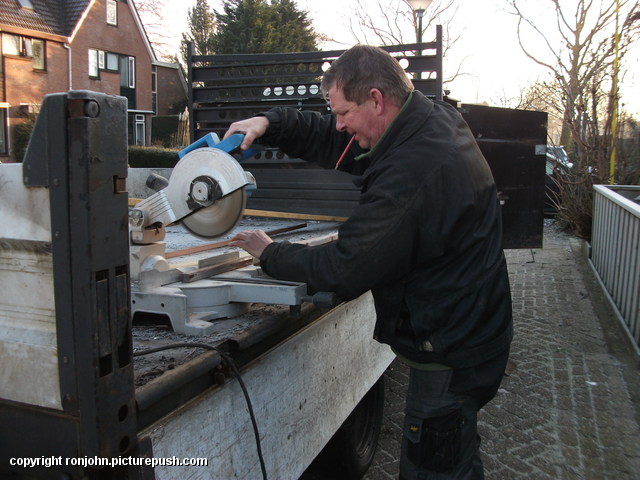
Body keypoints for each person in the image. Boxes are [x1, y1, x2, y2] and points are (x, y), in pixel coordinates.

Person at [226, 45, 513, 480]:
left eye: (343, 112)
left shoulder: (415, 169)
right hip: (469, 334)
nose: (338, 123)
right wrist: (270, 124)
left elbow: (346, 267)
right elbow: (332, 138)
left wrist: (270, 253)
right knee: (455, 458)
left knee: (433, 468)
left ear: (376, 99)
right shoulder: (421, 121)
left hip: (452, 353)